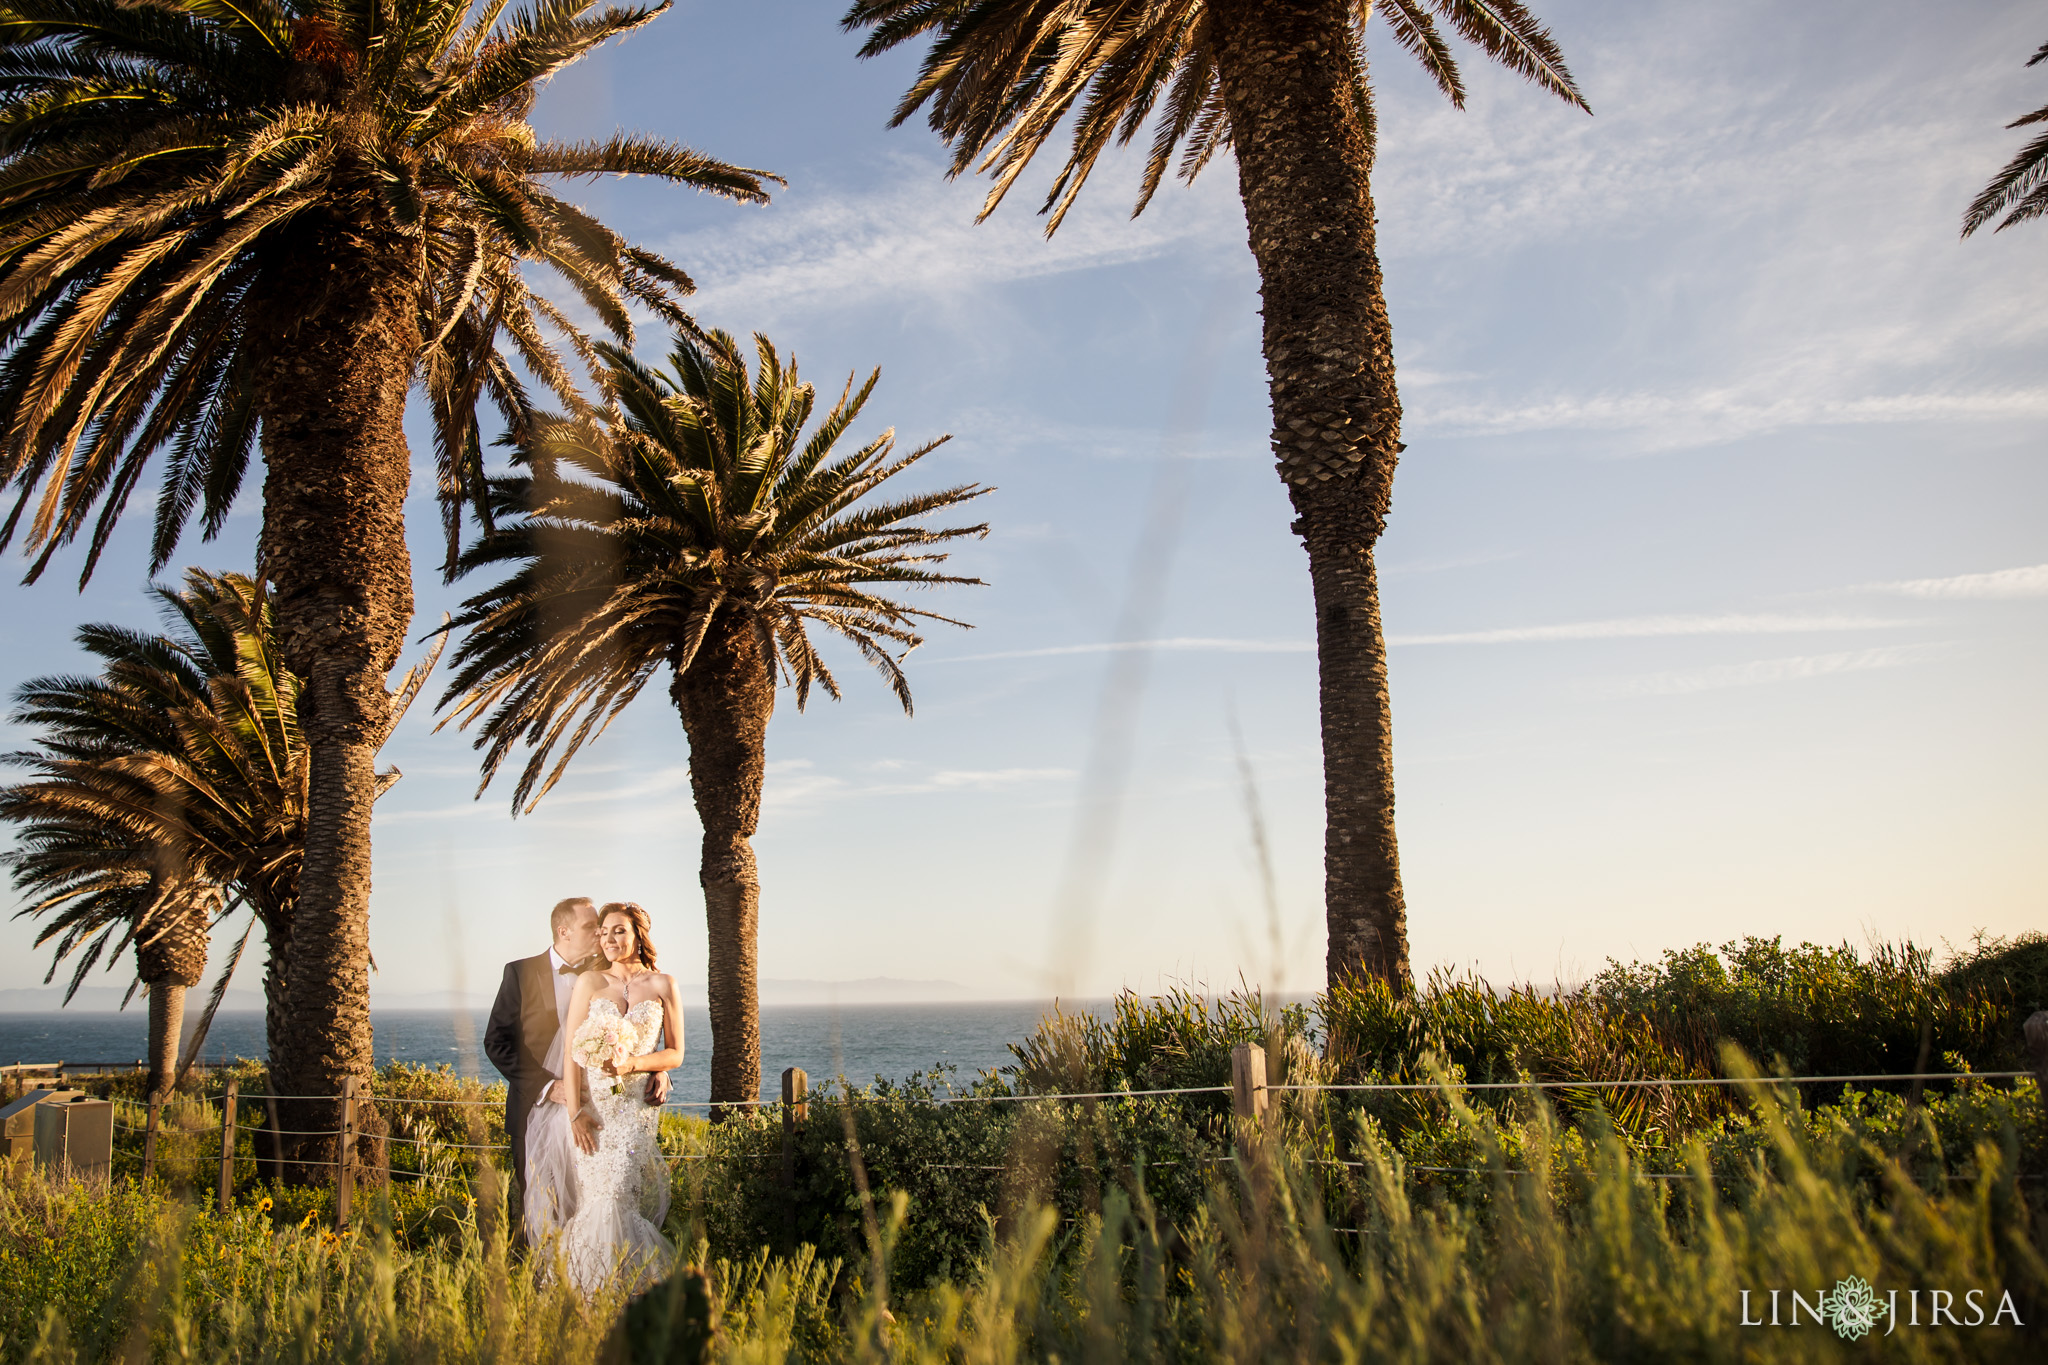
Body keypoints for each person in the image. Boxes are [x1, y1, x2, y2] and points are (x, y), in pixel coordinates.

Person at [483, 896, 668, 1243]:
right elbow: (497, 1042)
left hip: (597, 1109)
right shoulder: (520, 972)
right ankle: (538, 1286)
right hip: (535, 1109)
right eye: (591, 928)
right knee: (539, 1205)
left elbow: (635, 1022)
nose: (601, 935)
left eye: (603, 928)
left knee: (594, 1203)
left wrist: (655, 1068)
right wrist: (547, 1086)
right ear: (563, 931)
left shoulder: (606, 968)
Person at [556, 900, 686, 1296]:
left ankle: (623, 1294)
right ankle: (589, 1293)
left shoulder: (664, 984)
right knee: (597, 1199)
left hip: (633, 1111)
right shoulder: (590, 983)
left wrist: (639, 1066)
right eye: (605, 931)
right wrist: (576, 1112)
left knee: (618, 1197)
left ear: (637, 935)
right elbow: (572, 1052)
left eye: (620, 931)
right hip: (592, 1113)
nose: (610, 938)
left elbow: (676, 1053)